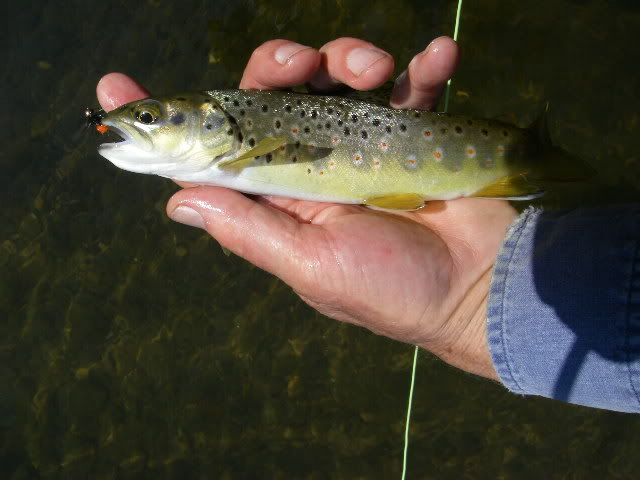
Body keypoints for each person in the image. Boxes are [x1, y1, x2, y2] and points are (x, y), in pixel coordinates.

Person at [96, 37, 639, 413]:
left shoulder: (239, 147)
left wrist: (478, 308)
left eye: (148, 119)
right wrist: (467, 308)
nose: (131, 125)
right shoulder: (228, 162)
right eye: (148, 119)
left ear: (220, 124)